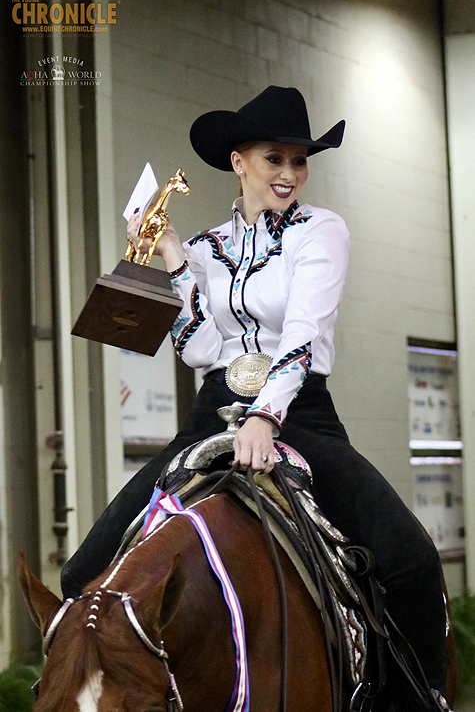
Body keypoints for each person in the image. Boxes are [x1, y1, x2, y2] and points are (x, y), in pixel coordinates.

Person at [61, 86, 451, 712]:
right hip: (211, 412)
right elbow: (200, 349)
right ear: (239, 161)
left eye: (300, 161)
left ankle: (421, 700)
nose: (290, 174)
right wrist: (171, 259)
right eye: (275, 159)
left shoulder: (321, 232)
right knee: (81, 575)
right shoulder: (207, 247)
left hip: (300, 415)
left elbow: (303, 333)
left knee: (410, 558)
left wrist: (267, 416)